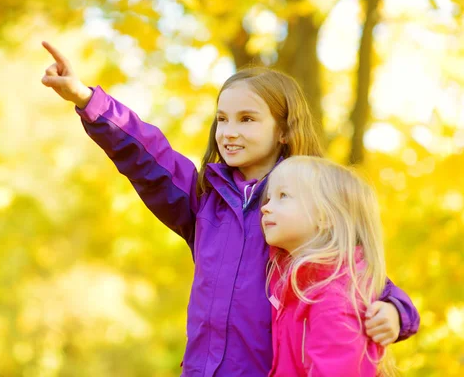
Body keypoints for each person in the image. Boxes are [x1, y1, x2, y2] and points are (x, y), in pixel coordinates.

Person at [40, 41, 420, 376]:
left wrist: (396, 312)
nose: (229, 131)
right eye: (222, 119)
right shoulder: (204, 203)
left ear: (284, 130)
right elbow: (148, 156)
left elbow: (356, 276)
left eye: (247, 119)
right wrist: (88, 100)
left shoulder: (301, 211)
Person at [262, 156, 394, 376]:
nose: (265, 208)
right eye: (268, 198)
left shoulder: (333, 296)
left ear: (324, 217)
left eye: (282, 196)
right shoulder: (299, 282)